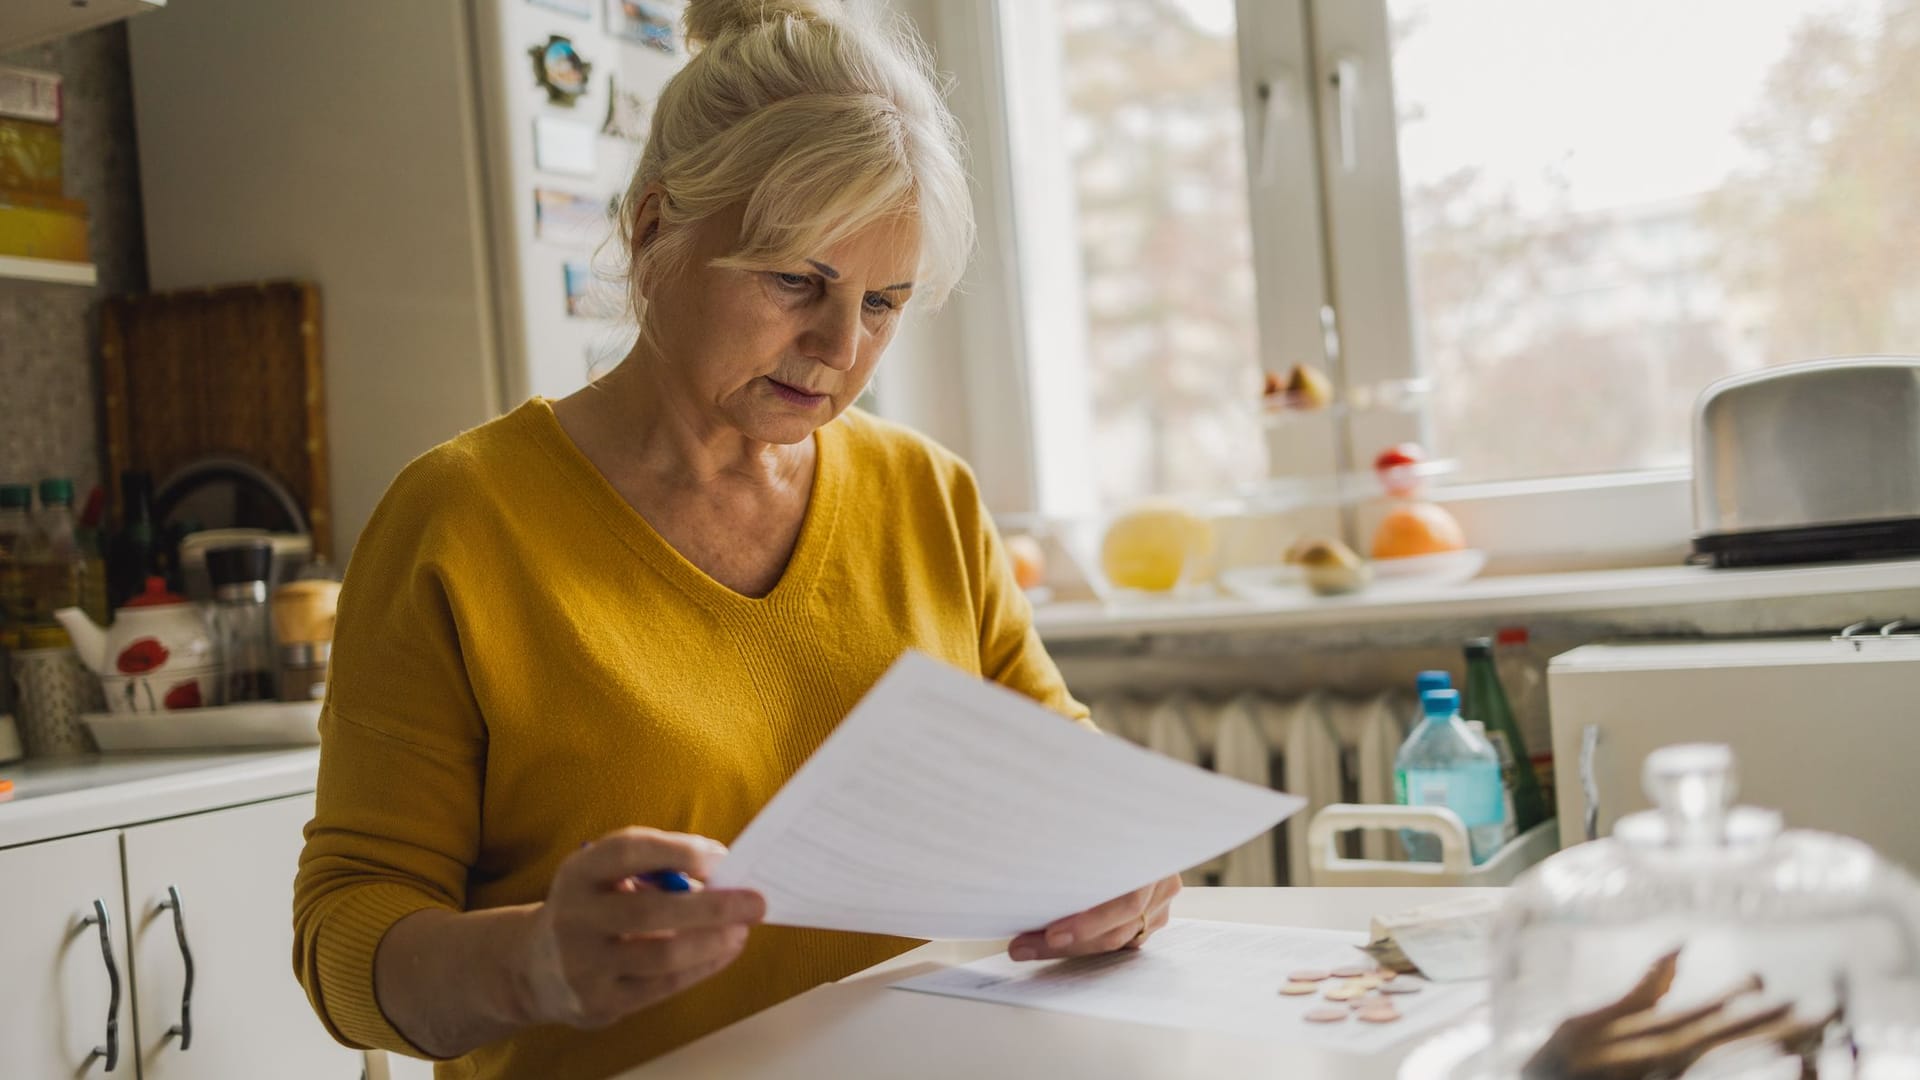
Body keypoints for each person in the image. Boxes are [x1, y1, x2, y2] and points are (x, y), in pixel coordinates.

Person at [290, 1, 1180, 1077]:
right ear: (654, 226)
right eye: (795, 281)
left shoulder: (927, 496)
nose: (840, 347)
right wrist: (533, 964)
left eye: (885, 302)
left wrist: (1123, 873)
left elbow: (1065, 784)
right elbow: (347, 938)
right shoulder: (461, 521)